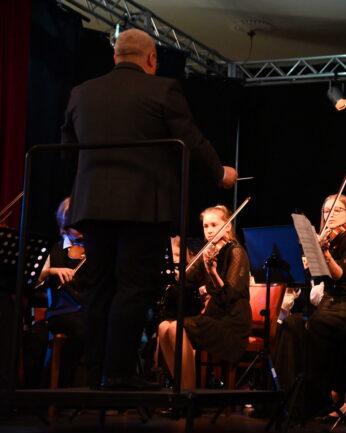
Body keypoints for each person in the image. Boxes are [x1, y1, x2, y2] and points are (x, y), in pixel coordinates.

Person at [61, 28, 237, 390]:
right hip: (142, 207)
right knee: (134, 287)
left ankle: (95, 372)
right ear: (152, 59)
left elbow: (67, 150)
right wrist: (220, 174)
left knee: (99, 287)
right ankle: (118, 373)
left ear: (115, 57)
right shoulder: (163, 89)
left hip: (92, 206)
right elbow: (192, 140)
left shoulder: (81, 92)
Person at [158, 205, 251, 390]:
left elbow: (229, 296)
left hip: (232, 320)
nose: (209, 230)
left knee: (176, 328)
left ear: (227, 227)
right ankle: (179, 386)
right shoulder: (209, 252)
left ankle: (188, 391)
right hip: (213, 315)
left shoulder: (236, 252)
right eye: (205, 226)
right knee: (163, 327)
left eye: (214, 225)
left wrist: (213, 272)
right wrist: (174, 277)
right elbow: (187, 281)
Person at [306, 194, 346, 415]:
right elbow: (320, 278)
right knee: (292, 325)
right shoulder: (329, 239)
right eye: (326, 210)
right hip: (328, 304)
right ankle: (304, 397)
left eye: (336, 210)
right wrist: (310, 261)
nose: (329, 215)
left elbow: (342, 277)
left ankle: (326, 395)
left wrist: (324, 254)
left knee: (318, 323)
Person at [37, 197, 88, 387]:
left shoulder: (93, 249)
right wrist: (52, 270)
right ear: (64, 224)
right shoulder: (56, 249)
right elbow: (35, 276)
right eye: (75, 223)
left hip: (87, 308)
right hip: (62, 311)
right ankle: (66, 385)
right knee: (82, 329)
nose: (80, 229)